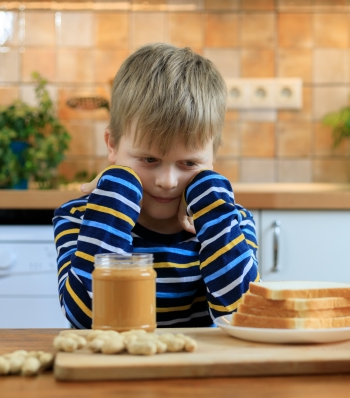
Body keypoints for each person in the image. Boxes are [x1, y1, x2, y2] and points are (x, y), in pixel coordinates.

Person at [52, 43, 259, 329]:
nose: (167, 181)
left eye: (188, 164)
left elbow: (244, 316)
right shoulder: (78, 217)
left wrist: (210, 199)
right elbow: (85, 318)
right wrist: (117, 190)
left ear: (213, 157)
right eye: (149, 159)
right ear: (112, 144)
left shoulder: (228, 219)